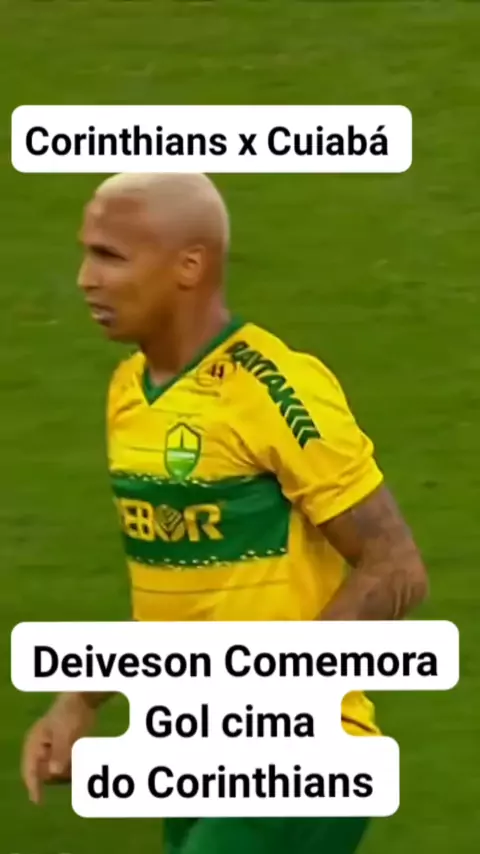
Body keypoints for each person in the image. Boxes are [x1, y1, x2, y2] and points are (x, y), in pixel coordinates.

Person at [21, 173, 428, 853]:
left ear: (189, 265)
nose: (86, 279)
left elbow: (397, 567)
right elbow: (181, 600)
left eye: (111, 256)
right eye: (87, 253)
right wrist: (80, 699)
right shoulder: (129, 393)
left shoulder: (272, 388)